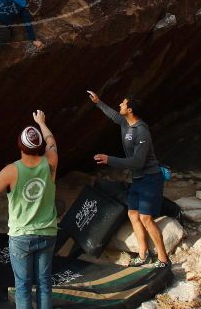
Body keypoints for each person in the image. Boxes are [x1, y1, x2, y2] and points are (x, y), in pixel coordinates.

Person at [0, 110, 58, 309]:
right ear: (39, 145)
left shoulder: (11, 170)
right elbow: (51, 141)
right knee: (44, 283)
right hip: (47, 231)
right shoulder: (50, 161)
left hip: (21, 236)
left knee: (23, 286)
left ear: (19, 145)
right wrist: (41, 122)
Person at [86, 90, 170, 268]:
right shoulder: (125, 122)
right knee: (133, 214)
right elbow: (113, 115)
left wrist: (110, 160)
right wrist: (98, 102)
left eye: (123, 104)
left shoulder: (141, 132)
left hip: (150, 178)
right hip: (138, 179)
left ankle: (163, 259)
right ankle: (143, 255)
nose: (120, 106)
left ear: (130, 110)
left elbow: (138, 162)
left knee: (146, 218)